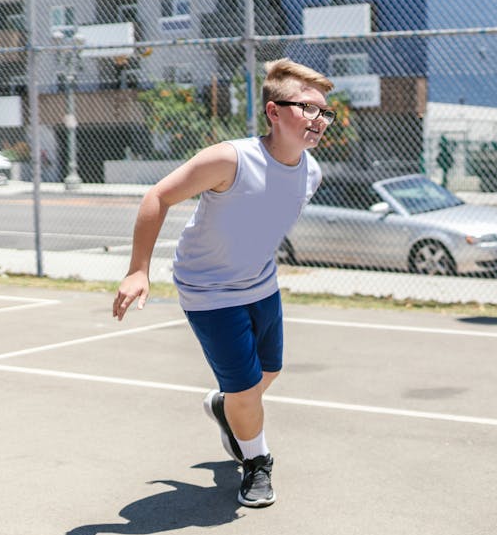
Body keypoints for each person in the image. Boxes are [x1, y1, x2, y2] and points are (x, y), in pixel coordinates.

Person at [112, 59, 337, 508]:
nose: (318, 120)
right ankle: (257, 462)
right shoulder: (229, 159)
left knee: (266, 373)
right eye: (307, 108)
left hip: (261, 285)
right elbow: (158, 195)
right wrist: (139, 269)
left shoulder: (310, 172)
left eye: (324, 112)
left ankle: (223, 406)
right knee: (246, 391)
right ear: (274, 112)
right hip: (209, 291)